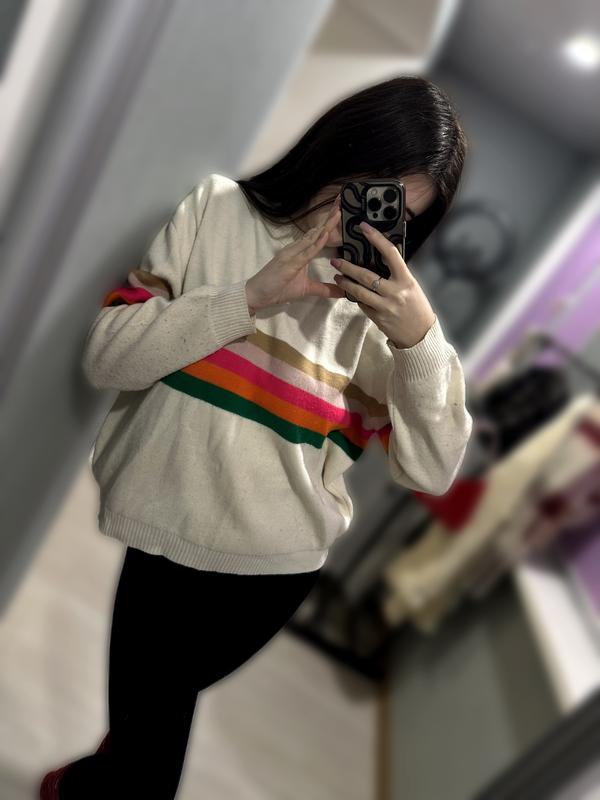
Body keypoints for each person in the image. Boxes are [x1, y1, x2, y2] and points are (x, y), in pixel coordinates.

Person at [40, 74, 473, 799]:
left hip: (273, 570)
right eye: (369, 189)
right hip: (164, 528)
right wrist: (248, 298)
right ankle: (96, 782)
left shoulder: (381, 315)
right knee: (150, 725)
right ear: (340, 146)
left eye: (398, 214)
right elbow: (107, 359)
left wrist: (420, 342)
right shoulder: (216, 210)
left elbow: (431, 471)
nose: (368, 220)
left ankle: (96, 783)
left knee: (150, 719)